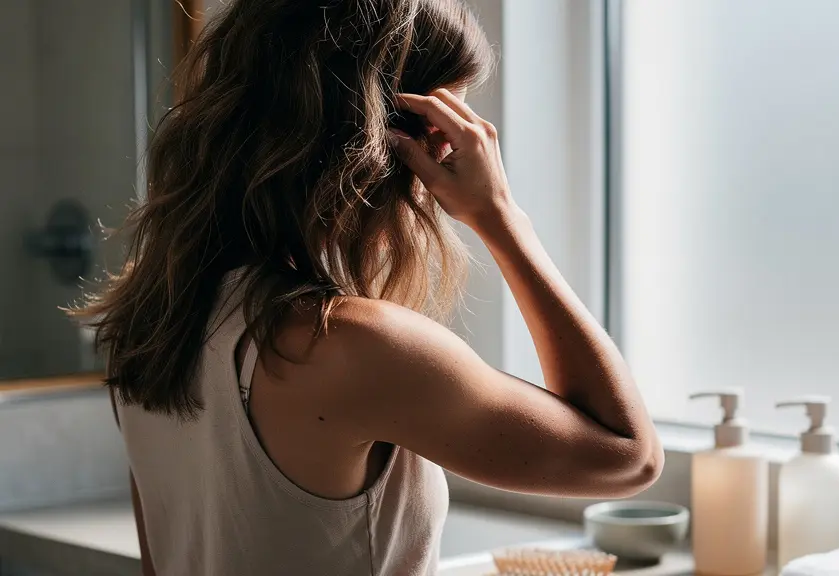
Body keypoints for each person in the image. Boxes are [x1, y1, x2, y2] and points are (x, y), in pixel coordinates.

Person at [72, 0, 663, 574]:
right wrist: (502, 216)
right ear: (387, 147)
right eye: (446, 131)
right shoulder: (347, 346)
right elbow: (629, 457)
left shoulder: (150, 322)